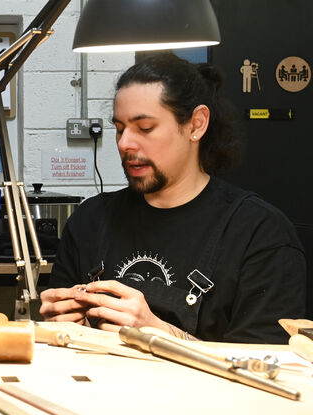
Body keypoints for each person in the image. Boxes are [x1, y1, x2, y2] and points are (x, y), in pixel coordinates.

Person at [40, 53, 306, 343]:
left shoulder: (259, 234)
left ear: (196, 125)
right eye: (119, 129)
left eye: (145, 128)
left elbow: (266, 372)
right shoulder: (90, 220)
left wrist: (159, 334)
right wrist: (61, 325)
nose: (125, 143)